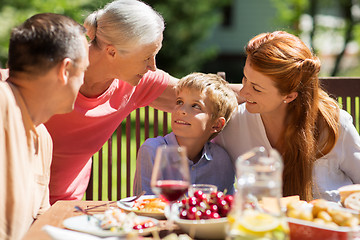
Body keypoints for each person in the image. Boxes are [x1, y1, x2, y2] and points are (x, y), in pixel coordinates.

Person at [42, 0, 242, 204]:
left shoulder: (138, 82)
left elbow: (204, 95)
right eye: (147, 57)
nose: (152, 67)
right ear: (112, 52)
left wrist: (263, 89)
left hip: (68, 204)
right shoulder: (49, 75)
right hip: (23, 199)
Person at [214, 31, 360, 202]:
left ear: (289, 96)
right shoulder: (233, 125)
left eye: (257, 88)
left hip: (331, 224)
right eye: (245, 78)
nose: (244, 92)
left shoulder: (333, 124)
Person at [0, 13, 89, 240]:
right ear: (65, 70)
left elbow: (42, 222)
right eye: (83, 72)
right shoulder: (3, 105)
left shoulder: (42, 137)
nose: (83, 82)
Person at [133, 72, 238, 195]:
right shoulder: (153, 150)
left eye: (195, 106)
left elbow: (227, 204)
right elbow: (145, 206)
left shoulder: (221, 159)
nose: (181, 110)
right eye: (179, 102)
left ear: (216, 125)